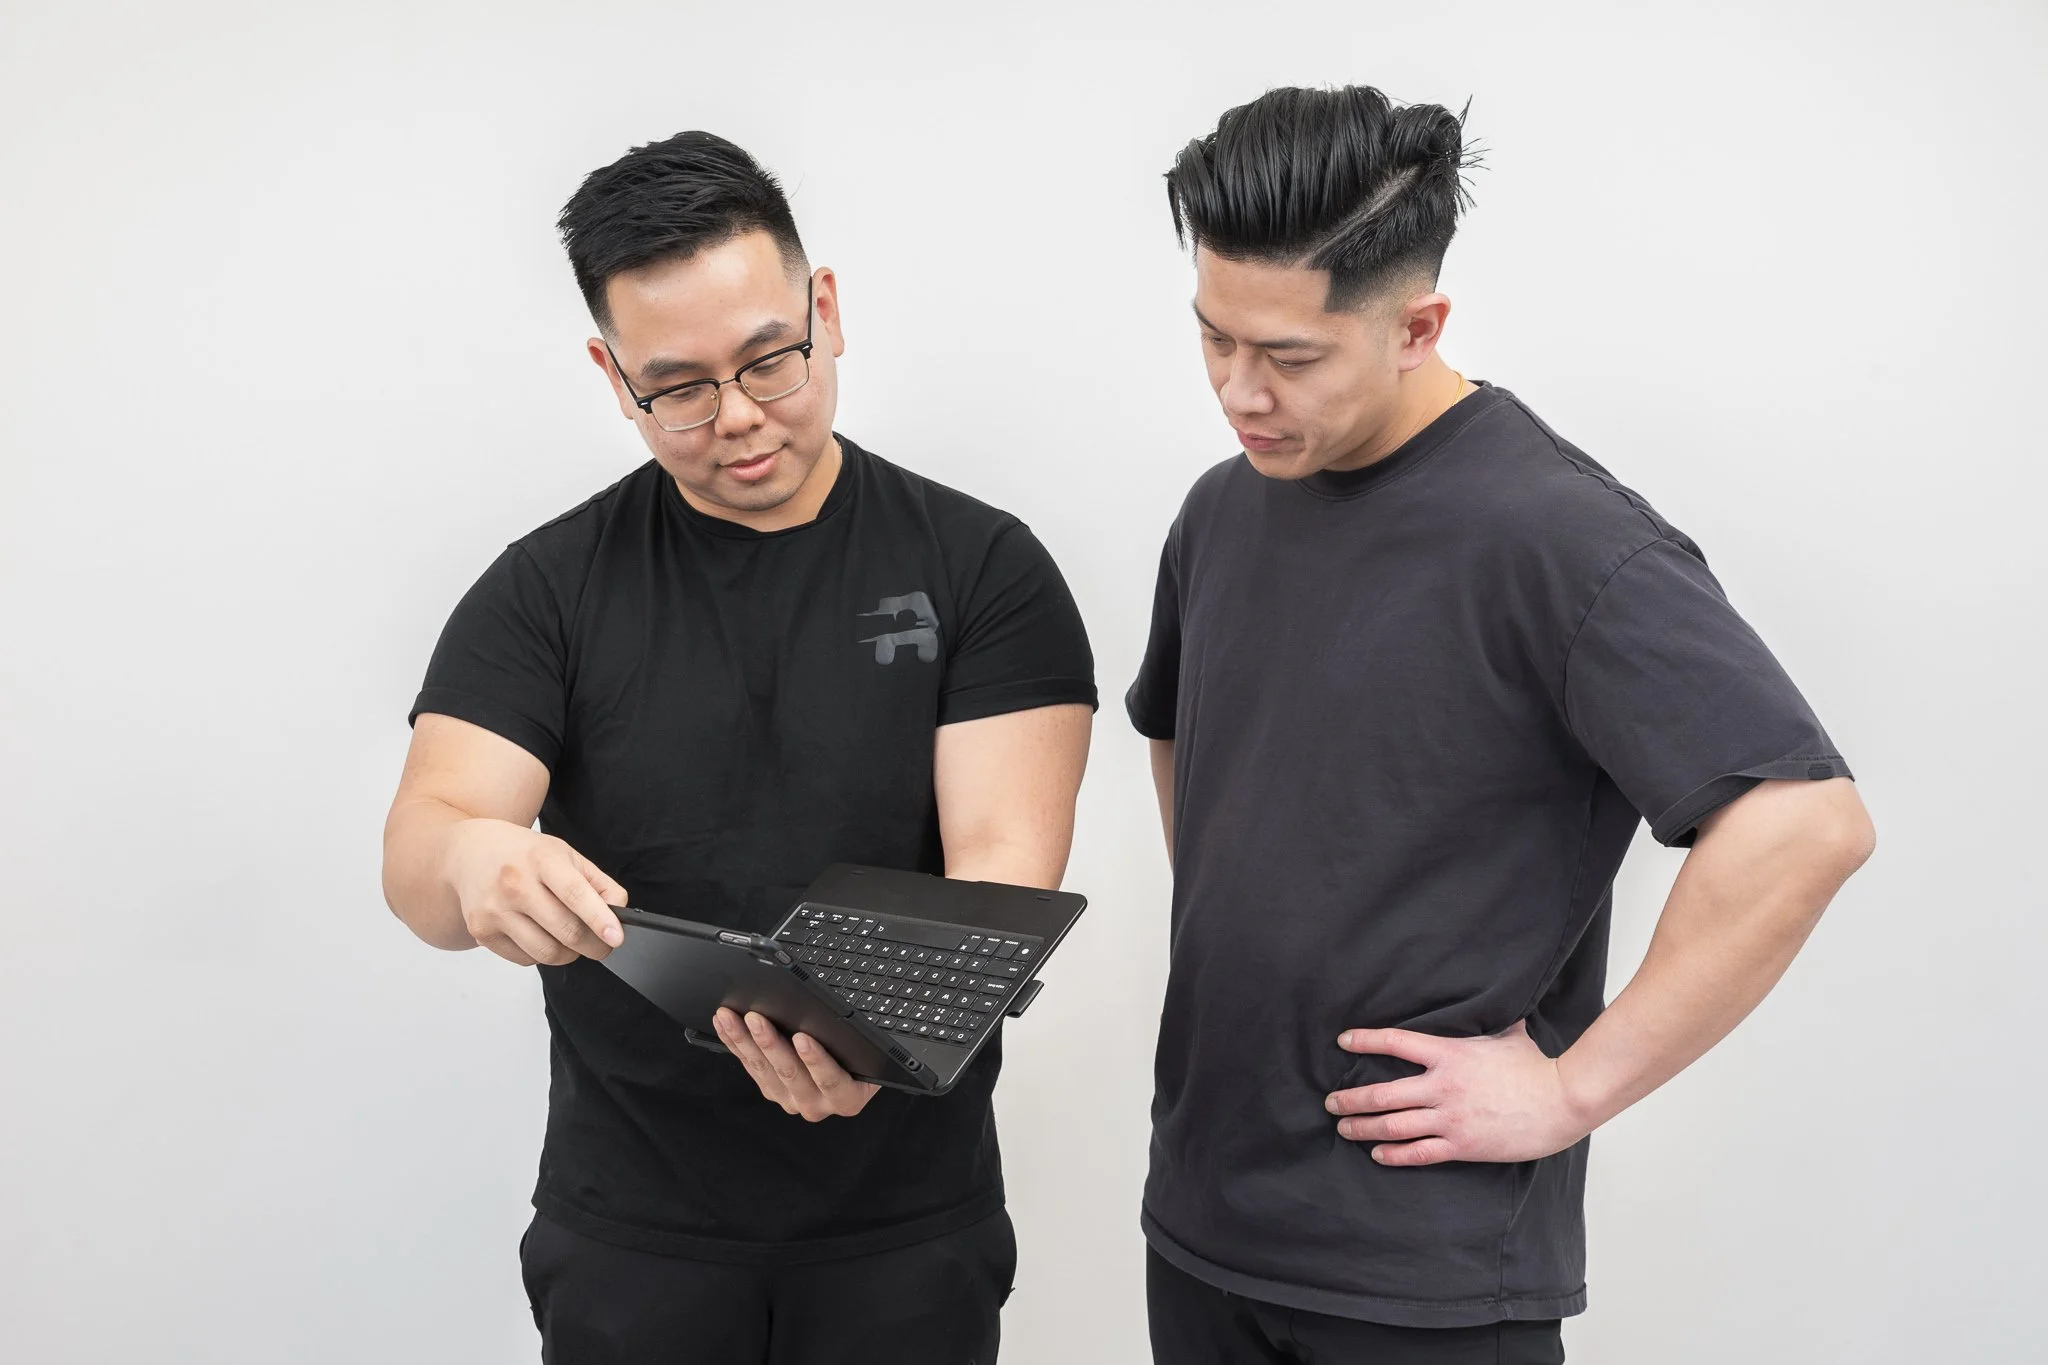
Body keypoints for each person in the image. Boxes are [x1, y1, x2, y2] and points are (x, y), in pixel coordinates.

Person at [1128, 86, 1875, 1364]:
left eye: (1289, 358)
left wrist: (1571, 1089)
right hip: (1200, 1218)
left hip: (1419, 1267)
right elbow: (1180, 737)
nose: (1239, 393)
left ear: (1417, 326)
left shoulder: (1558, 537)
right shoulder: (1219, 510)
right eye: (1213, 339)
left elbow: (1805, 825)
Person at [380, 130, 1095, 1364]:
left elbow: (997, 873)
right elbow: (425, 851)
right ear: (615, 378)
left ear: (826, 312)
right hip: (632, 1227)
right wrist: (474, 862)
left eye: (770, 359)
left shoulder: (981, 567)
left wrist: (876, 1044)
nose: (741, 416)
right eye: (681, 388)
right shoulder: (546, 589)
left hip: (906, 1225)